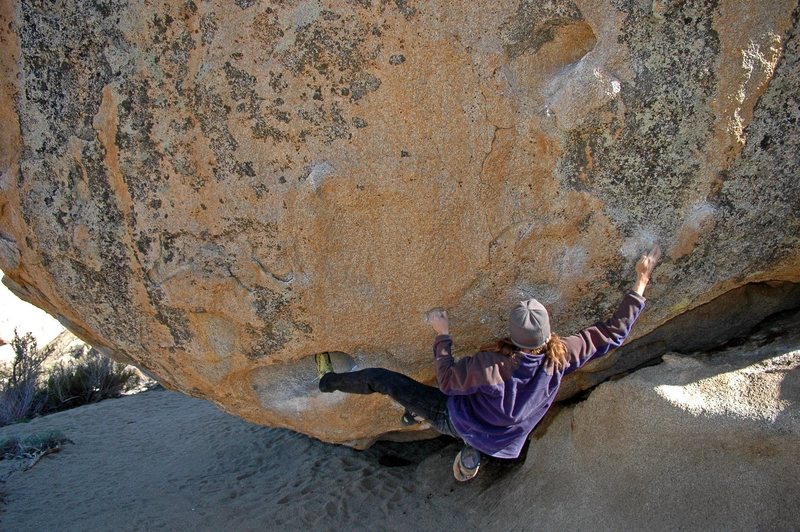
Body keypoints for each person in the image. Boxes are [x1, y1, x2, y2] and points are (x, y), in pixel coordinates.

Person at [318, 245, 662, 481]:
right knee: (476, 419)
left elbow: (448, 382)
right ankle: (469, 456)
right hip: (506, 438)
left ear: (511, 335)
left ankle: (327, 381)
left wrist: (442, 335)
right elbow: (613, 333)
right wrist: (642, 278)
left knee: (384, 380)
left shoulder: (491, 365)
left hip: (461, 421)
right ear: (549, 332)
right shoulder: (562, 356)